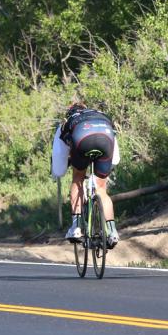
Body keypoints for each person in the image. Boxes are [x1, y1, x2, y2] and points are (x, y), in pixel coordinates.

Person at [51, 100, 120, 248]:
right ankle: (112, 232)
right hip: (106, 137)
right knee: (102, 189)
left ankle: (76, 228)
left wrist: (62, 169)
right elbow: (115, 158)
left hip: (82, 139)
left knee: (77, 180)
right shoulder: (101, 116)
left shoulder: (67, 122)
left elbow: (58, 163)